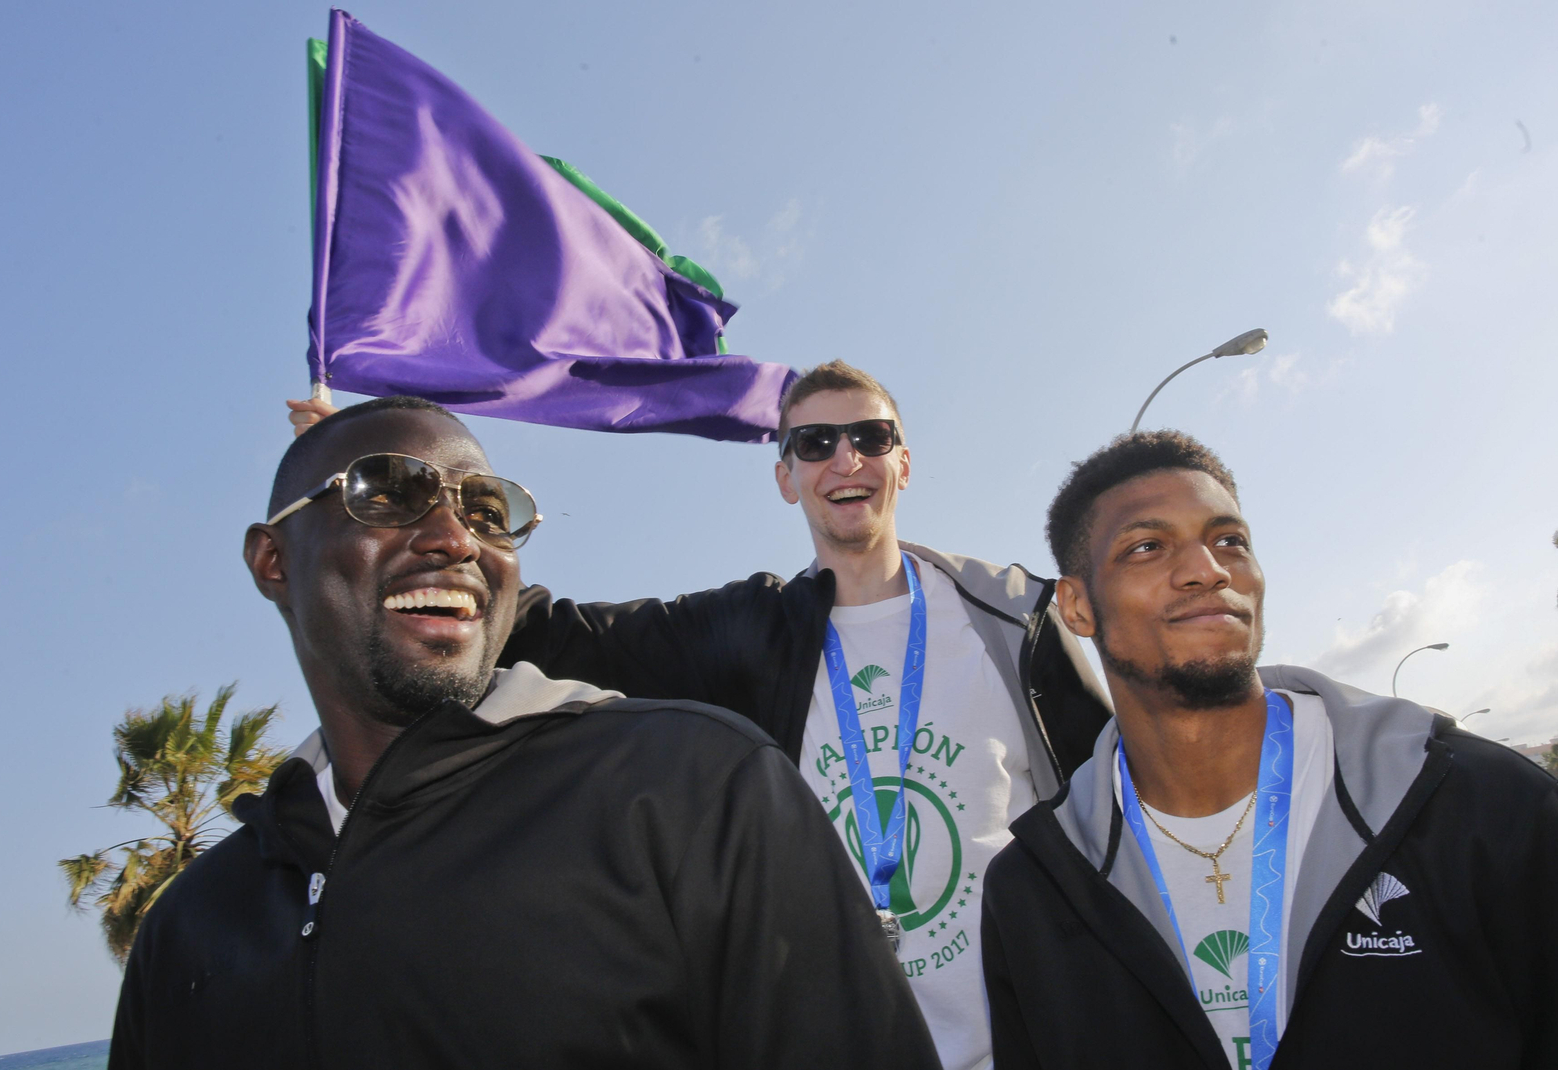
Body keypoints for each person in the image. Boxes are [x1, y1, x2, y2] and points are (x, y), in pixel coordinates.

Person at [289, 362, 1113, 1070]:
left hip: (1034, 1041)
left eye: (868, 436)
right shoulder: (746, 632)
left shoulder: (1010, 617)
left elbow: (1116, 812)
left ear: (903, 462)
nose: (845, 459)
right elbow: (548, 632)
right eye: (814, 443)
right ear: (786, 476)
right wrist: (372, 485)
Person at [111, 396, 941, 1070]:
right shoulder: (189, 930)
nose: (454, 537)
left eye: (487, 509)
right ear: (274, 562)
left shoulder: (694, 790)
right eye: (387, 490)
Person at [981, 430, 1558, 1070]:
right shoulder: (1033, 890)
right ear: (1078, 606)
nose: (1209, 568)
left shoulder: (1480, 805)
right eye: (1147, 547)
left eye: (1230, 541)